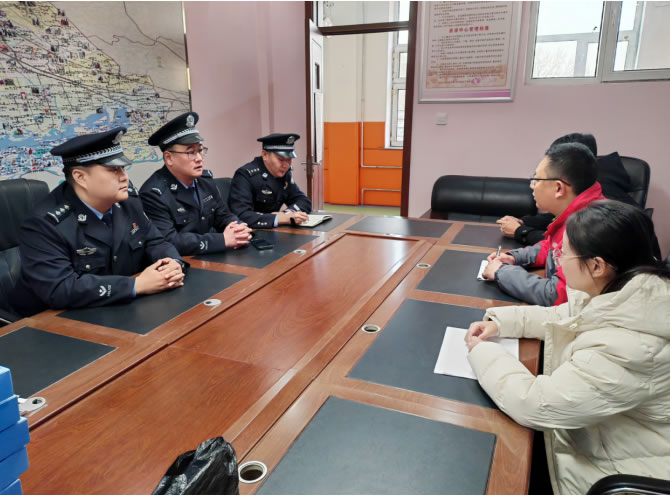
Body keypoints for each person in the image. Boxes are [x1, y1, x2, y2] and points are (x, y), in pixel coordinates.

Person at [465, 201, 670, 494]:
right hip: (595, 431)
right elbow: (568, 317)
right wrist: (502, 323)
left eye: (564, 253)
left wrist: (481, 351)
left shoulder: (634, 346)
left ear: (597, 265)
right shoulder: (626, 289)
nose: (558, 260)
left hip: (609, 467)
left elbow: (535, 404)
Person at [9, 127, 187, 318]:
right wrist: (136, 285)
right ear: (80, 177)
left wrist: (172, 263)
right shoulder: (44, 224)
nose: (124, 177)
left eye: (123, 168)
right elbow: (60, 288)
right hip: (53, 322)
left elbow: (155, 241)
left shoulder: (128, 201)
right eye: (114, 170)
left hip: (115, 311)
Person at [482, 142, 605, 306]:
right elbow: (551, 247)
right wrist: (514, 257)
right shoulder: (580, 209)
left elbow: (557, 295)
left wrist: (501, 272)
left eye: (536, 179)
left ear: (558, 188)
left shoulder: (588, 228)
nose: (532, 185)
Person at [139, 112, 251, 255]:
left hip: (210, 258)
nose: (199, 158)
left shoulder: (205, 180)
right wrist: (222, 240)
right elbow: (168, 241)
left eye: (200, 150)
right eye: (190, 152)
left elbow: (223, 215)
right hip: (182, 263)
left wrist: (238, 228)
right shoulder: (153, 194)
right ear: (169, 158)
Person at [497, 133, 638, 245]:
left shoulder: (604, 207)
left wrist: (521, 232)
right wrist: (525, 222)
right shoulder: (586, 187)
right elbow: (561, 215)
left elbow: (567, 246)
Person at [228, 133, 312, 228]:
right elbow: (241, 214)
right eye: (281, 159)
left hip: (275, 230)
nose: (286, 165)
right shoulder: (245, 175)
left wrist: (288, 213)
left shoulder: (284, 174)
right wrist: (278, 218)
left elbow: (303, 201)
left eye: (289, 160)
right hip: (251, 232)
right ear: (265, 155)